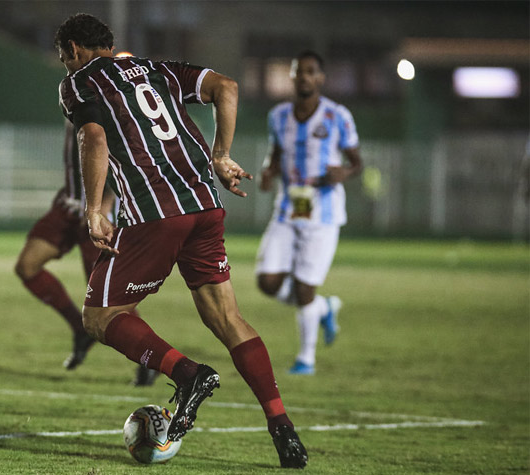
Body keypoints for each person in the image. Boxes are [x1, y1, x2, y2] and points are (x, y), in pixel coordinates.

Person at [55, 13, 307, 468]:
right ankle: (282, 426)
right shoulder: (159, 69)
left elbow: (93, 137)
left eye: (62, 57)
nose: (64, 65)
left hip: (154, 214)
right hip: (205, 206)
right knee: (228, 318)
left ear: (74, 50)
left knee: (99, 316)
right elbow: (226, 87)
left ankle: (187, 374)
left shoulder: (80, 81)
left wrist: (95, 210)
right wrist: (221, 155)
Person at [14, 121, 159, 386]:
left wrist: (103, 206)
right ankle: (80, 331)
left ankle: (149, 358)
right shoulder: (74, 92)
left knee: (107, 298)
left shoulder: (103, 95)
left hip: (97, 213)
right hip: (68, 205)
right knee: (27, 266)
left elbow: (123, 155)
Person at [256, 51, 362, 376]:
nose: (304, 76)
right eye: (298, 71)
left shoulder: (337, 116)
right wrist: (267, 172)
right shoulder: (278, 116)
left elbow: (357, 162)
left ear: (320, 78)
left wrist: (341, 174)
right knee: (268, 281)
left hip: (323, 213)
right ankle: (323, 307)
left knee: (304, 288)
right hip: (288, 209)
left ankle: (306, 359)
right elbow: (274, 154)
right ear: (292, 76)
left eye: (310, 71)